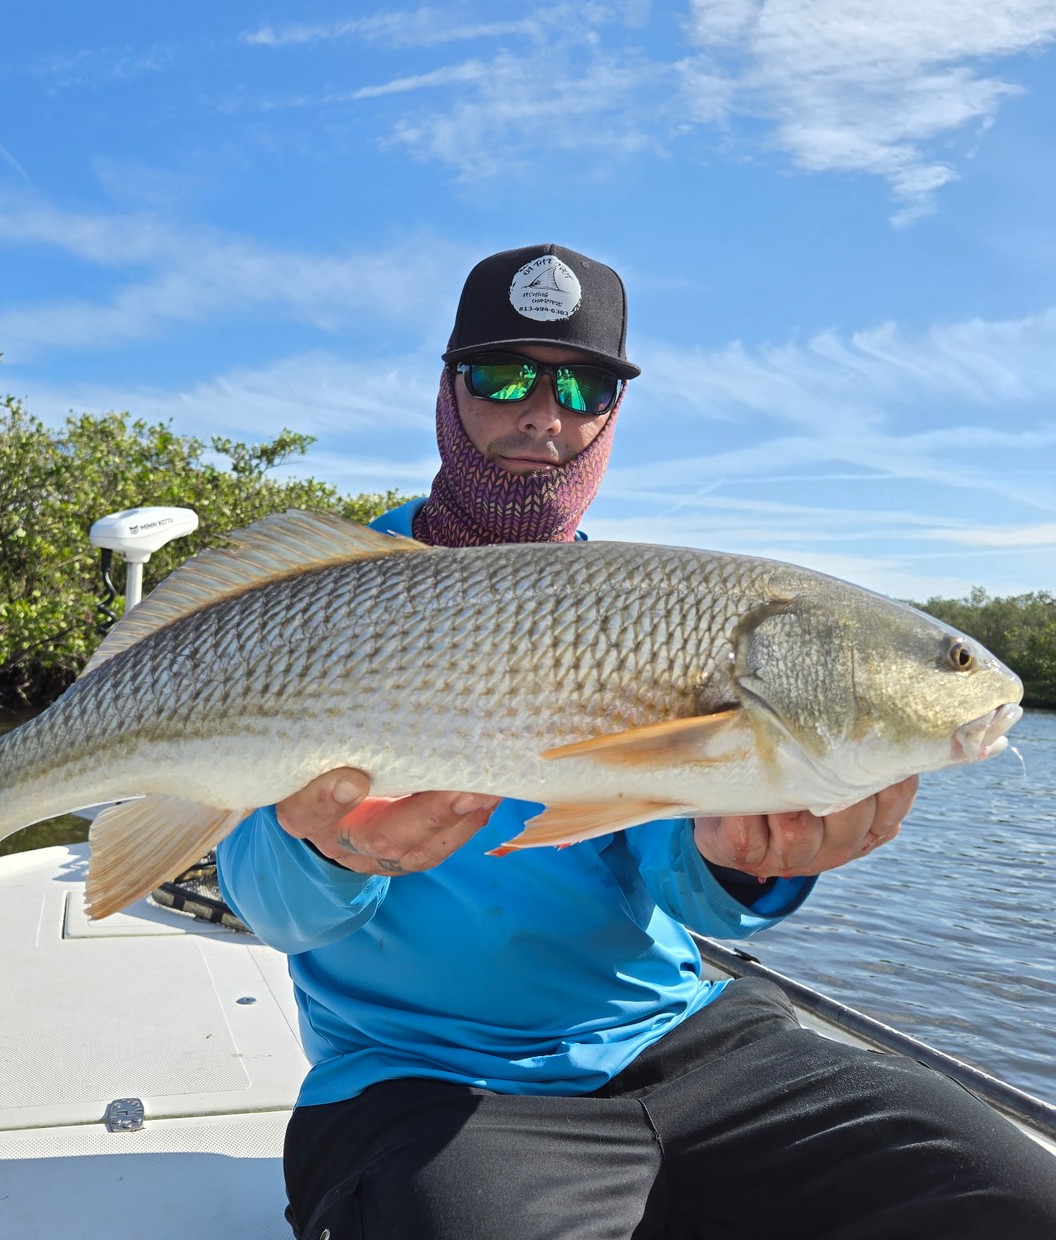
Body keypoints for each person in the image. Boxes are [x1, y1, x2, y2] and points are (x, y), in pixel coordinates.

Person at [217, 243, 1056, 1239]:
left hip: (687, 1042)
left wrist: (740, 862)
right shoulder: (319, 602)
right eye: (503, 376)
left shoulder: (654, 612)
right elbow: (268, 903)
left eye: (583, 386)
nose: (544, 413)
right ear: (448, 390)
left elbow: (682, 883)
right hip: (425, 1079)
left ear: (611, 415)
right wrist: (326, 851)